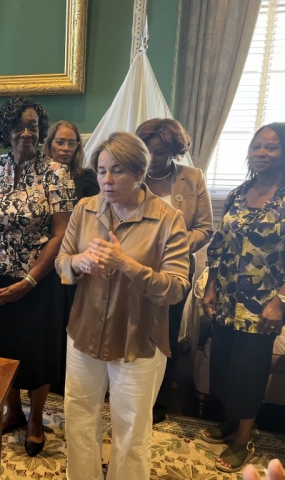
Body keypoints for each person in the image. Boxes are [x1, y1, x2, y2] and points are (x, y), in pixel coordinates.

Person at [55, 132, 190, 479]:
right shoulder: (85, 209)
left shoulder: (168, 219)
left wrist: (126, 264)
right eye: (101, 171)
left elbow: (176, 289)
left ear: (140, 174)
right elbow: (61, 260)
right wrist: (79, 262)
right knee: (80, 416)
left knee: (130, 428)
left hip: (139, 339)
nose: (107, 180)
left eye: (117, 171)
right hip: (83, 332)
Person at [0, 96, 76, 456]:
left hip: (39, 282)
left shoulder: (57, 174)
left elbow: (61, 233)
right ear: (6, 130)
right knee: (2, 351)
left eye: (32, 125)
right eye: (19, 126)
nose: (26, 132)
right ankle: (13, 410)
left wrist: (30, 280)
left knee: (37, 352)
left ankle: (35, 418)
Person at [200, 122, 285, 473]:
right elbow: (218, 245)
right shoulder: (238, 193)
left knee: (249, 371)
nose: (261, 153)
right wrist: (211, 286)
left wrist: (280, 301)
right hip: (228, 299)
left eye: (271, 147)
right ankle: (230, 422)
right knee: (224, 365)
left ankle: (243, 439)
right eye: (256, 147)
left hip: (263, 304)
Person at [135, 118, 213, 422]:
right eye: (148, 151)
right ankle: (127, 391)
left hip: (175, 271)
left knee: (163, 336)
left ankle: (157, 402)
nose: (153, 159)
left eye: (161, 152)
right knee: (134, 329)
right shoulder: (132, 176)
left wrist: (174, 246)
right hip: (134, 268)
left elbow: (204, 229)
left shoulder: (192, 178)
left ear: (174, 151)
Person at [43, 119, 99, 394]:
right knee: (45, 322)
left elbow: (95, 220)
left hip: (72, 259)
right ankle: (46, 374)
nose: (66, 148)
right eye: (60, 142)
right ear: (49, 143)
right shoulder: (37, 173)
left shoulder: (87, 178)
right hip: (41, 258)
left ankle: (66, 378)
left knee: (68, 319)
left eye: (71, 143)